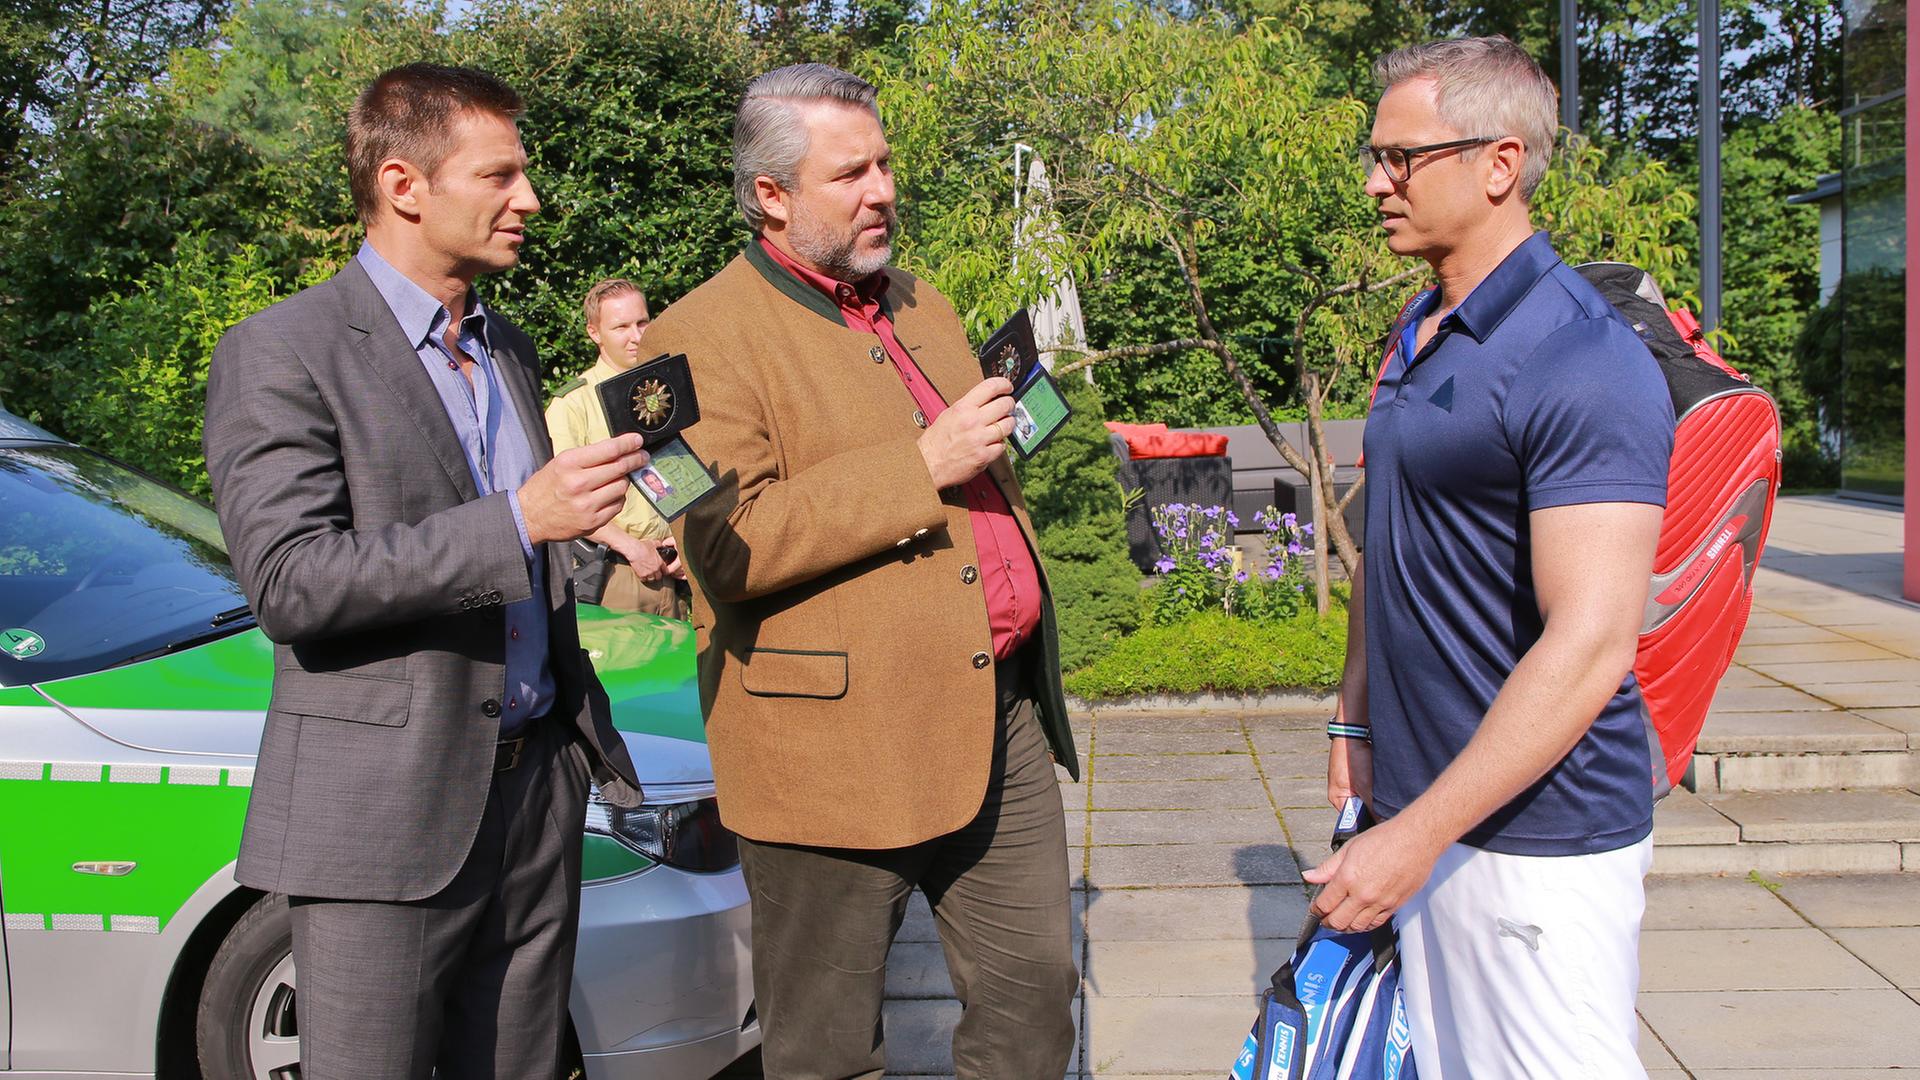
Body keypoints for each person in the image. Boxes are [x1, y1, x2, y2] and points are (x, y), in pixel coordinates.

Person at [201, 63, 649, 1079]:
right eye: (500, 176)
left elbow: (519, 557)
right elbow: (290, 581)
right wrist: (520, 518)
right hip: (384, 822)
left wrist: (582, 535)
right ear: (405, 185)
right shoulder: (282, 353)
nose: (529, 201)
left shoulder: (509, 351)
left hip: (535, 792)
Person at [640, 63, 1080, 1079]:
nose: (883, 188)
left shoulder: (925, 303)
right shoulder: (683, 343)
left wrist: (1009, 428)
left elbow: (979, 467)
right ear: (773, 195)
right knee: (826, 1051)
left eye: (884, 163)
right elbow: (724, 546)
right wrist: (923, 464)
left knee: (1035, 1008)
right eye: (851, 173)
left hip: (995, 716)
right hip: (829, 751)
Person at [1305, 37, 1675, 1080]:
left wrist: (1415, 834)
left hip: (1535, 842)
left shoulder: (1581, 357)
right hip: (1431, 812)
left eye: (1402, 158)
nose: (1377, 184)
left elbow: (1593, 640)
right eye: (1373, 157)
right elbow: (1390, 539)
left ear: (1500, 163)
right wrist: (1355, 718)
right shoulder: (1423, 327)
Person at [544, 278, 688, 617]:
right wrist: (631, 548)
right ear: (595, 333)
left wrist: (687, 543)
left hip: (675, 573)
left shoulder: (668, 394)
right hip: (614, 575)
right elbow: (563, 500)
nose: (637, 336)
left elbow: (688, 477)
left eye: (642, 322)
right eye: (621, 326)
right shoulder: (572, 405)